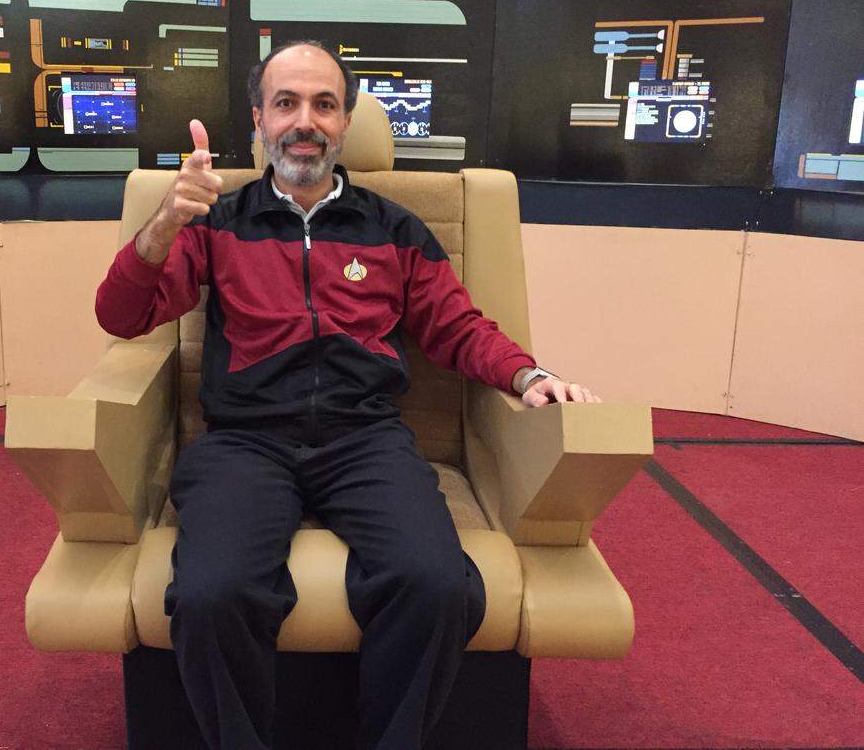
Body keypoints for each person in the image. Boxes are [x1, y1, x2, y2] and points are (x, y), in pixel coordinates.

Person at [95, 41, 602, 750]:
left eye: (324, 105)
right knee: (212, 594)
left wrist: (527, 375)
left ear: (346, 120)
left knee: (436, 582)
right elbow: (120, 315)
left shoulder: (395, 229)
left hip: (364, 438)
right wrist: (164, 225)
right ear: (259, 121)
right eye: (287, 103)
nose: (306, 121)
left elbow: (457, 326)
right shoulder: (215, 222)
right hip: (246, 439)